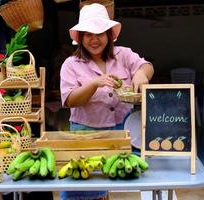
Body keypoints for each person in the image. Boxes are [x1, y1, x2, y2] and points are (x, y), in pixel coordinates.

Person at [59, 3, 154, 200]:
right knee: (84, 188)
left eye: (100, 33)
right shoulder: (71, 64)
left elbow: (146, 66)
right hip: (87, 134)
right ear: (81, 37)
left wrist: (141, 74)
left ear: (109, 35)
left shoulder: (124, 55)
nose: (94, 39)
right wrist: (94, 84)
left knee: (120, 181)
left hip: (123, 130)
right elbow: (69, 100)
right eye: (88, 34)